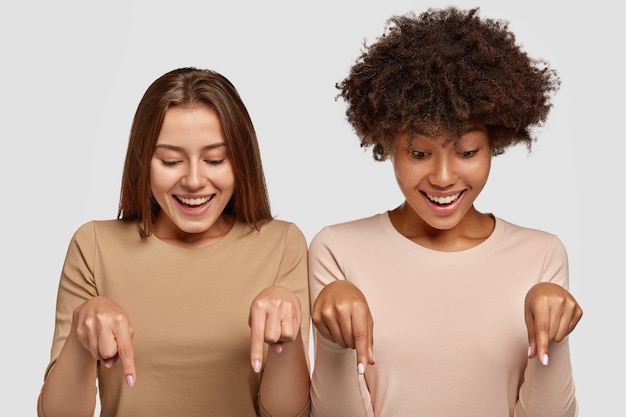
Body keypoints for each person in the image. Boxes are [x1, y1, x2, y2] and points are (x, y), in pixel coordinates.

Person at [308, 7, 582, 417]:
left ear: (495, 144)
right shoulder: (337, 249)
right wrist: (332, 342)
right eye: (419, 153)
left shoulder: (541, 254)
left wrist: (554, 341)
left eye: (467, 152)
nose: (443, 176)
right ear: (386, 143)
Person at [37, 67, 310, 417]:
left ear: (242, 161)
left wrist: (287, 336)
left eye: (215, 159)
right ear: (143, 163)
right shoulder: (94, 245)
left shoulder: (281, 243)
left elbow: (290, 414)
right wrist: (80, 330)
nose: (194, 180)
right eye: (170, 161)